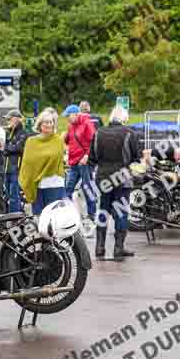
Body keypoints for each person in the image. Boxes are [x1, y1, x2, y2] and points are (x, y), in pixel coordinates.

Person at [89, 105, 143, 260]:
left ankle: (100, 248)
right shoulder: (129, 133)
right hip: (122, 178)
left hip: (103, 177)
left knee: (103, 210)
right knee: (121, 213)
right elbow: (136, 158)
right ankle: (118, 248)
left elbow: (92, 157)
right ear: (124, 118)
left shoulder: (98, 133)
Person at [19, 108, 67, 215]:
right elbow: (27, 163)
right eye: (46, 122)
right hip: (36, 184)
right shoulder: (31, 142)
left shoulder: (58, 140)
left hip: (54, 183)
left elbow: (56, 160)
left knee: (53, 216)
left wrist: (41, 166)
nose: (48, 124)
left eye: (51, 122)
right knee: (39, 216)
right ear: (40, 124)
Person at [64, 107, 98, 223]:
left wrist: (87, 156)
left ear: (75, 114)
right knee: (68, 188)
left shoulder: (87, 123)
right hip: (74, 162)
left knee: (87, 187)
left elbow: (94, 141)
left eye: (68, 115)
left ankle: (92, 214)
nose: (67, 118)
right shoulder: (71, 126)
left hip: (84, 162)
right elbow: (68, 141)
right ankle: (67, 214)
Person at [3, 110, 29, 213]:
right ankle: (13, 214)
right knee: (7, 195)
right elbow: (3, 149)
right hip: (6, 168)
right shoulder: (8, 132)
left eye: (9, 119)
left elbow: (17, 148)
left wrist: (8, 147)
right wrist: (9, 147)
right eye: (7, 119)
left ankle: (15, 217)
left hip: (16, 169)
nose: (7, 121)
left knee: (14, 195)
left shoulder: (24, 133)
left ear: (17, 119)